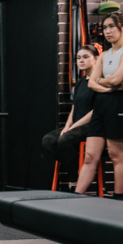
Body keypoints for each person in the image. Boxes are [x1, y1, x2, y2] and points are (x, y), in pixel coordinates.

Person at [76, 12, 123, 199]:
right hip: (102, 103)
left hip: (120, 103)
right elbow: (91, 82)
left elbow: (117, 79)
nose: (107, 31)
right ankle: (76, 197)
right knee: (90, 156)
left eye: (112, 26)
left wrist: (104, 82)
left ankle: (118, 198)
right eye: (104, 27)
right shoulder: (104, 55)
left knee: (115, 154)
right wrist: (107, 85)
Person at [42, 45, 100, 189]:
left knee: (64, 140)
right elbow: (74, 108)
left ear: (96, 59)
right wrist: (68, 126)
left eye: (85, 57)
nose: (81, 61)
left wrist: (74, 127)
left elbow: (96, 110)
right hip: (76, 125)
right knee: (48, 140)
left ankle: (74, 182)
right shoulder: (80, 82)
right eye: (78, 58)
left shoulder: (100, 81)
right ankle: (76, 175)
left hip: (92, 125)